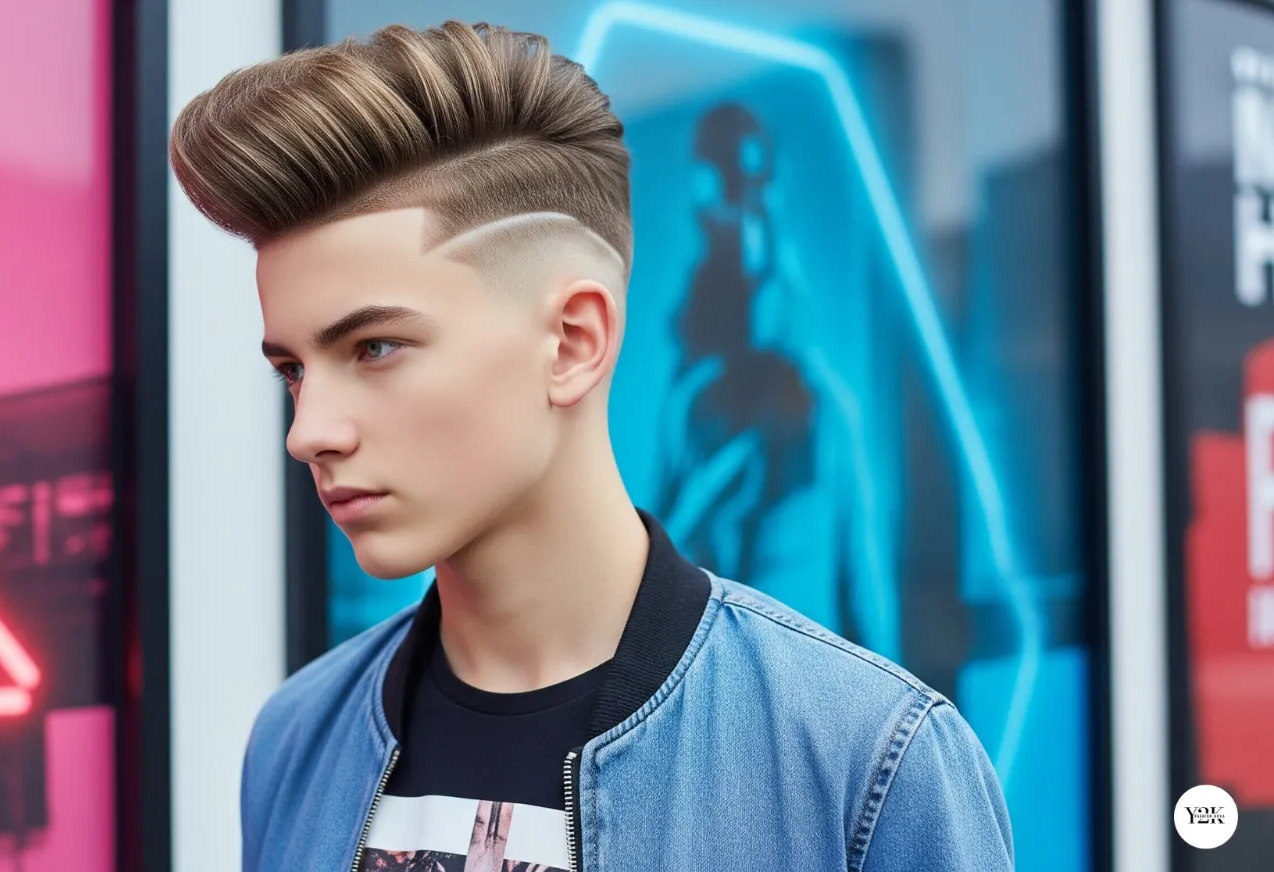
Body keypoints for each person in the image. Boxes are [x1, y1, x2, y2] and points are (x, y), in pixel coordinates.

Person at [170, 21, 1013, 872]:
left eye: (375, 348)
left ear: (574, 342)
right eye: (292, 369)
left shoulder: (867, 761)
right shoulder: (298, 740)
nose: (309, 431)